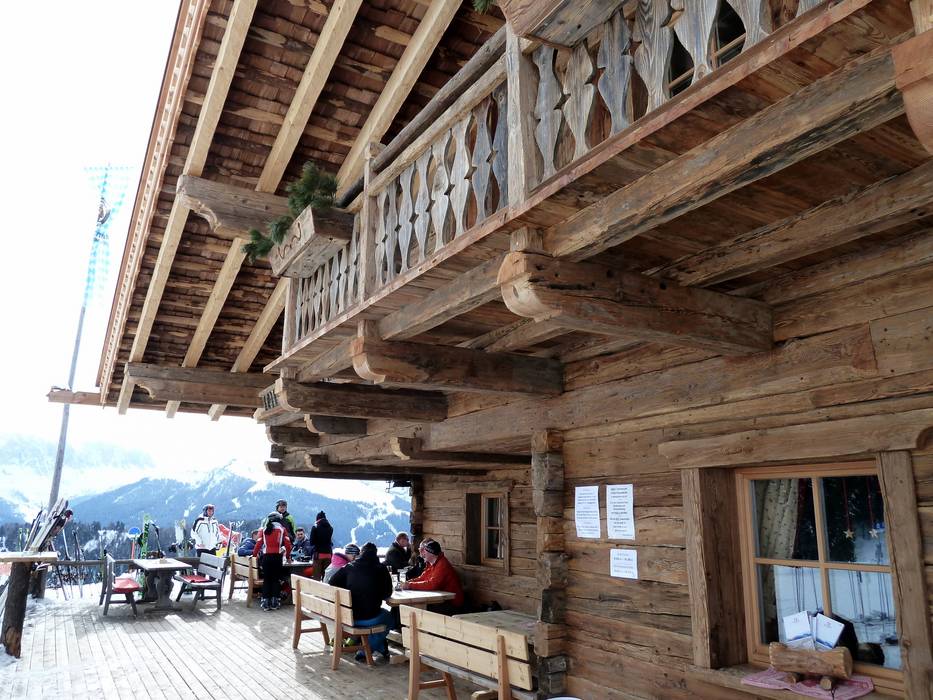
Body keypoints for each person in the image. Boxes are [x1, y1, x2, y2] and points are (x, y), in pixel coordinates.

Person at [329, 542, 393, 662]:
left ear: (361, 553)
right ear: (375, 555)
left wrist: (350, 588)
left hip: (348, 616)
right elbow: (387, 594)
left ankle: (379, 647)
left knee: (381, 618)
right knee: (390, 618)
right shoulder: (381, 568)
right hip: (369, 617)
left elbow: (332, 582)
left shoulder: (349, 567)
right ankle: (367, 650)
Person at [399, 539, 464, 615]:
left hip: (452, 603)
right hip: (441, 600)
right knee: (411, 607)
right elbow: (422, 578)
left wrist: (409, 585)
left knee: (420, 610)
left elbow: (432, 584)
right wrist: (407, 582)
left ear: (431, 553)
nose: (423, 554)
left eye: (425, 551)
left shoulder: (442, 564)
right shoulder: (432, 563)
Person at [253, 512, 292, 611]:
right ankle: (275, 602)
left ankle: (265, 602)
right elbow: (288, 545)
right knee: (275, 579)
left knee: (267, 579)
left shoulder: (263, 529)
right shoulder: (282, 529)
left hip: (266, 557)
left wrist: (254, 555)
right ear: (279, 519)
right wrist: (288, 556)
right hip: (277, 557)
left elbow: (258, 544)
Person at [309, 511, 334, 580]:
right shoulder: (330, 528)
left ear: (317, 519)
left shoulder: (315, 527)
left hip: (318, 555)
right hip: (328, 554)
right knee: (326, 577)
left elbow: (311, 542)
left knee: (316, 577)